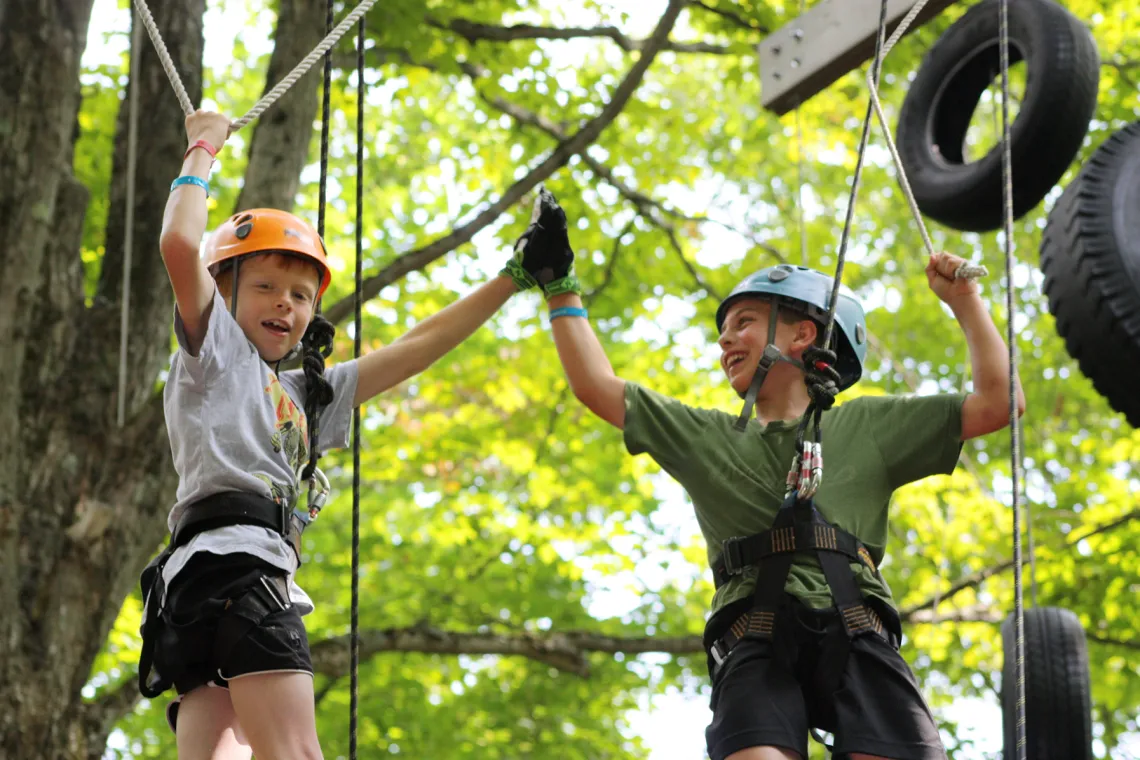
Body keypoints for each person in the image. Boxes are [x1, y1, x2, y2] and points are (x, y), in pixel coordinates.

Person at [137, 108, 568, 760]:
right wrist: (203, 147)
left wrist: (513, 277)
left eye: (302, 295)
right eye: (265, 286)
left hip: (197, 594)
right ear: (222, 293)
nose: (286, 303)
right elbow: (178, 244)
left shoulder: (307, 397)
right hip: (241, 574)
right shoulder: (215, 349)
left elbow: (417, 347)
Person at [531, 192, 1025, 760]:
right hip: (755, 637)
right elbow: (597, 386)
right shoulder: (708, 437)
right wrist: (558, 283)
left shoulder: (869, 426)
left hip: (858, 631)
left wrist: (966, 302)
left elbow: (1000, 402)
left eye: (743, 323)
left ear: (802, 335)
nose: (724, 340)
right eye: (724, 331)